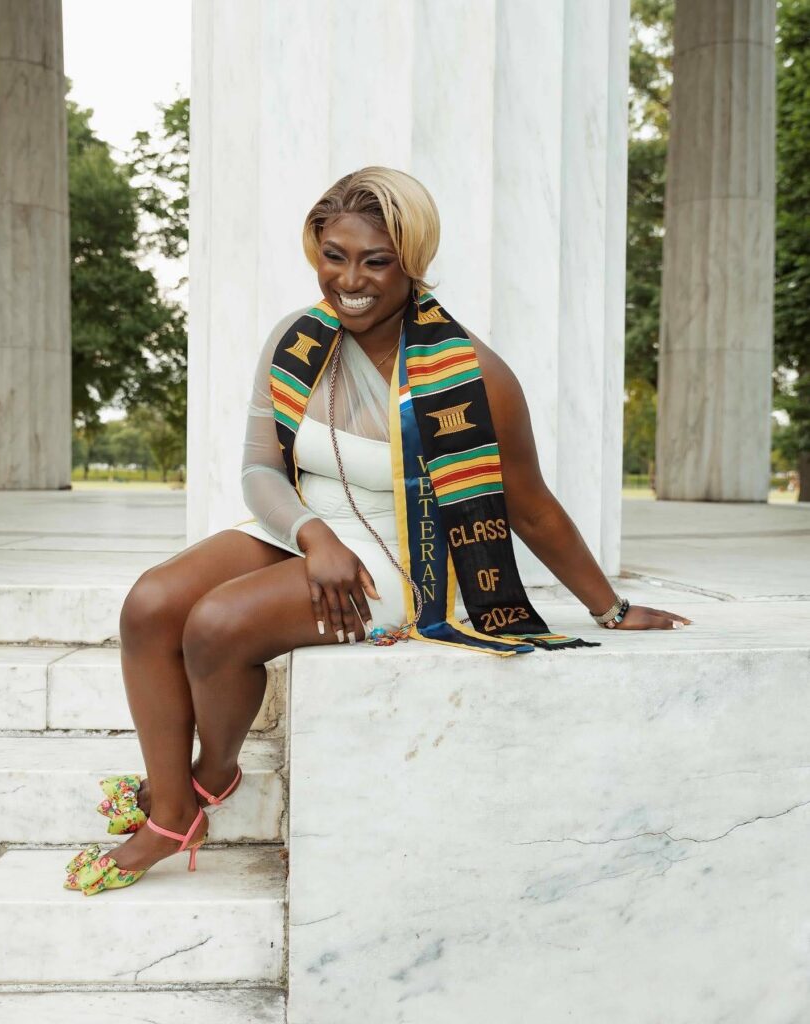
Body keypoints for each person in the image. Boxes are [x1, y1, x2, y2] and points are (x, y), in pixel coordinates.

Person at [63, 167, 691, 896]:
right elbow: (260, 470)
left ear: (412, 262)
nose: (349, 280)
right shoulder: (297, 342)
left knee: (217, 625)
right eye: (334, 255)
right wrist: (312, 534)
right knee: (149, 603)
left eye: (376, 261)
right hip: (306, 530)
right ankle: (174, 803)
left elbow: (531, 508)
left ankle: (200, 787)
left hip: (399, 559)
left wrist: (609, 607)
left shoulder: (473, 376)